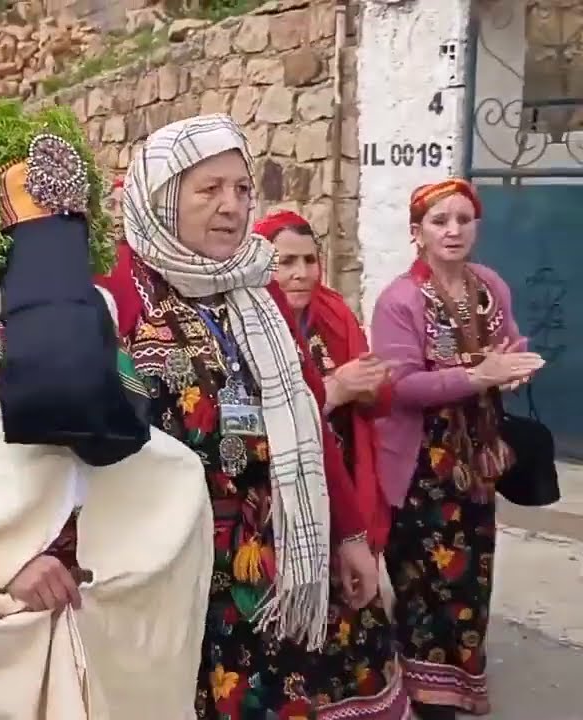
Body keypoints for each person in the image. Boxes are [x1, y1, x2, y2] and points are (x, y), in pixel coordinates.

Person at [0, 100, 214, 718]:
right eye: (38, 215)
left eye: (67, 218)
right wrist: (2, 570)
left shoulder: (93, 315)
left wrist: (95, 546)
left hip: (88, 605)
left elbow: (117, 449)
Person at [96, 114, 380, 719]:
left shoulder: (259, 287)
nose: (231, 206)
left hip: (270, 559)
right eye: (208, 189)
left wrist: (351, 534)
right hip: (163, 562)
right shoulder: (115, 286)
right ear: (161, 196)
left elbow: (306, 412)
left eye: (242, 189)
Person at [370, 179, 544, 720]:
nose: (452, 230)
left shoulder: (488, 285)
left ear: (476, 227)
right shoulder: (399, 299)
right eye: (439, 221)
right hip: (423, 460)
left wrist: (513, 365)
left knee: (473, 570)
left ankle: (462, 680)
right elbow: (399, 387)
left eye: (463, 220)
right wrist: (478, 374)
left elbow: (508, 340)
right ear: (416, 233)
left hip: (475, 458)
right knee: (423, 575)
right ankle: (424, 691)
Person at [257, 210, 406, 718]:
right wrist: (333, 389)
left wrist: (366, 386)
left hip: (340, 482)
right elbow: (262, 422)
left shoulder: (334, 314)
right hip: (283, 503)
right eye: (285, 262)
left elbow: (377, 395)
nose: (300, 273)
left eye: (309, 260)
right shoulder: (255, 324)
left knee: (355, 610)